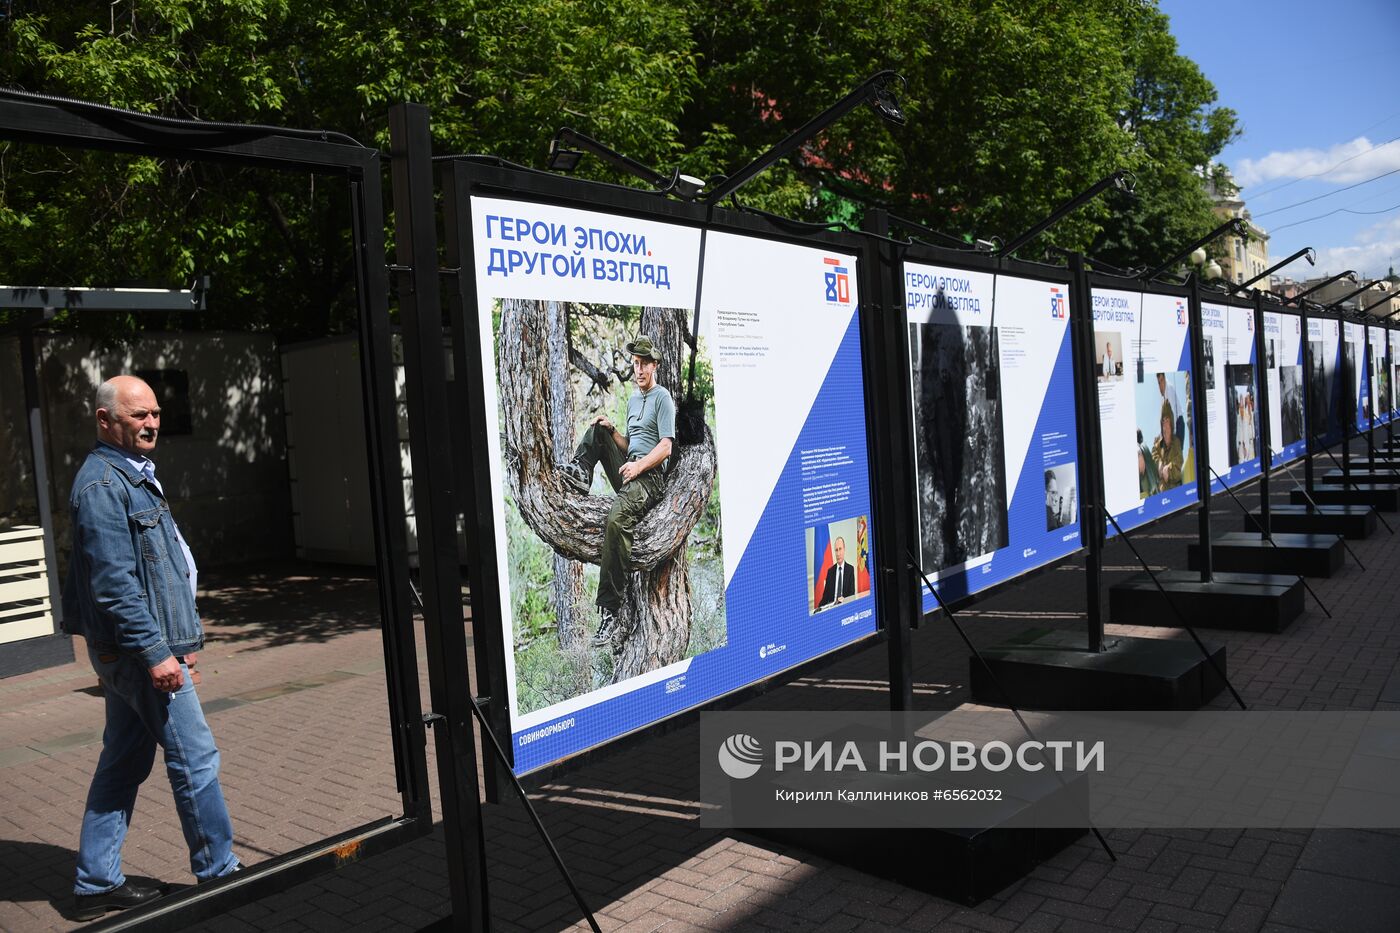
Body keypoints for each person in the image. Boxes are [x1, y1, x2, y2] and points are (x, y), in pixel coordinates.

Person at [61, 375, 240, 921]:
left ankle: (95, 884)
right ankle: (220, 874)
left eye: (155, 413)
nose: (152, 423)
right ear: (105, 420)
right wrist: (158, 654)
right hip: (138, 652)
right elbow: (115, 584)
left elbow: (160, 571)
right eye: (139, 415)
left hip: (144, 647)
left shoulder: (132, 475)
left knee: (123, 760)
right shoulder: (102, 485)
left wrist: (177, 645)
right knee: (196, 757)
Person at [559, 335, 675, 642]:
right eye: (635, 364)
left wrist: (638, 467)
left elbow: (665, 447)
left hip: (649, 479)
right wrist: (614, 433)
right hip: (630, 468)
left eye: (644, 364)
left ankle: (610, 611)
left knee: (616, 520)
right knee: (599, 428)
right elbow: (630, 445)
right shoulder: (635, 400)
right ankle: (581, 471)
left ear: (655, 366)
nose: (638, 370)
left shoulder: (662, 398)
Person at [1152, 400, 1184, 489]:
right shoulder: (1157, 444)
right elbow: (1154, 457)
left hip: (1176, 491)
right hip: (1162, 493)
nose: (1165, 424)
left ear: (1171, 423)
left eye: (1167, 420)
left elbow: (1179, 463)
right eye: (1163, 420)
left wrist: (1168, 469)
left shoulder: (1176, 442)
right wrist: (1159, 463)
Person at [817, 536, 856, 609]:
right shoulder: (830, 571)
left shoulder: (850, 569)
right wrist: (818, 609)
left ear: (844, 549)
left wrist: (844, 600)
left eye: (840, 549)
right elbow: (825, 597)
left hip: (845, 607)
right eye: (836, 550)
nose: (838, 553)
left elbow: (852, 594)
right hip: (832, 609)